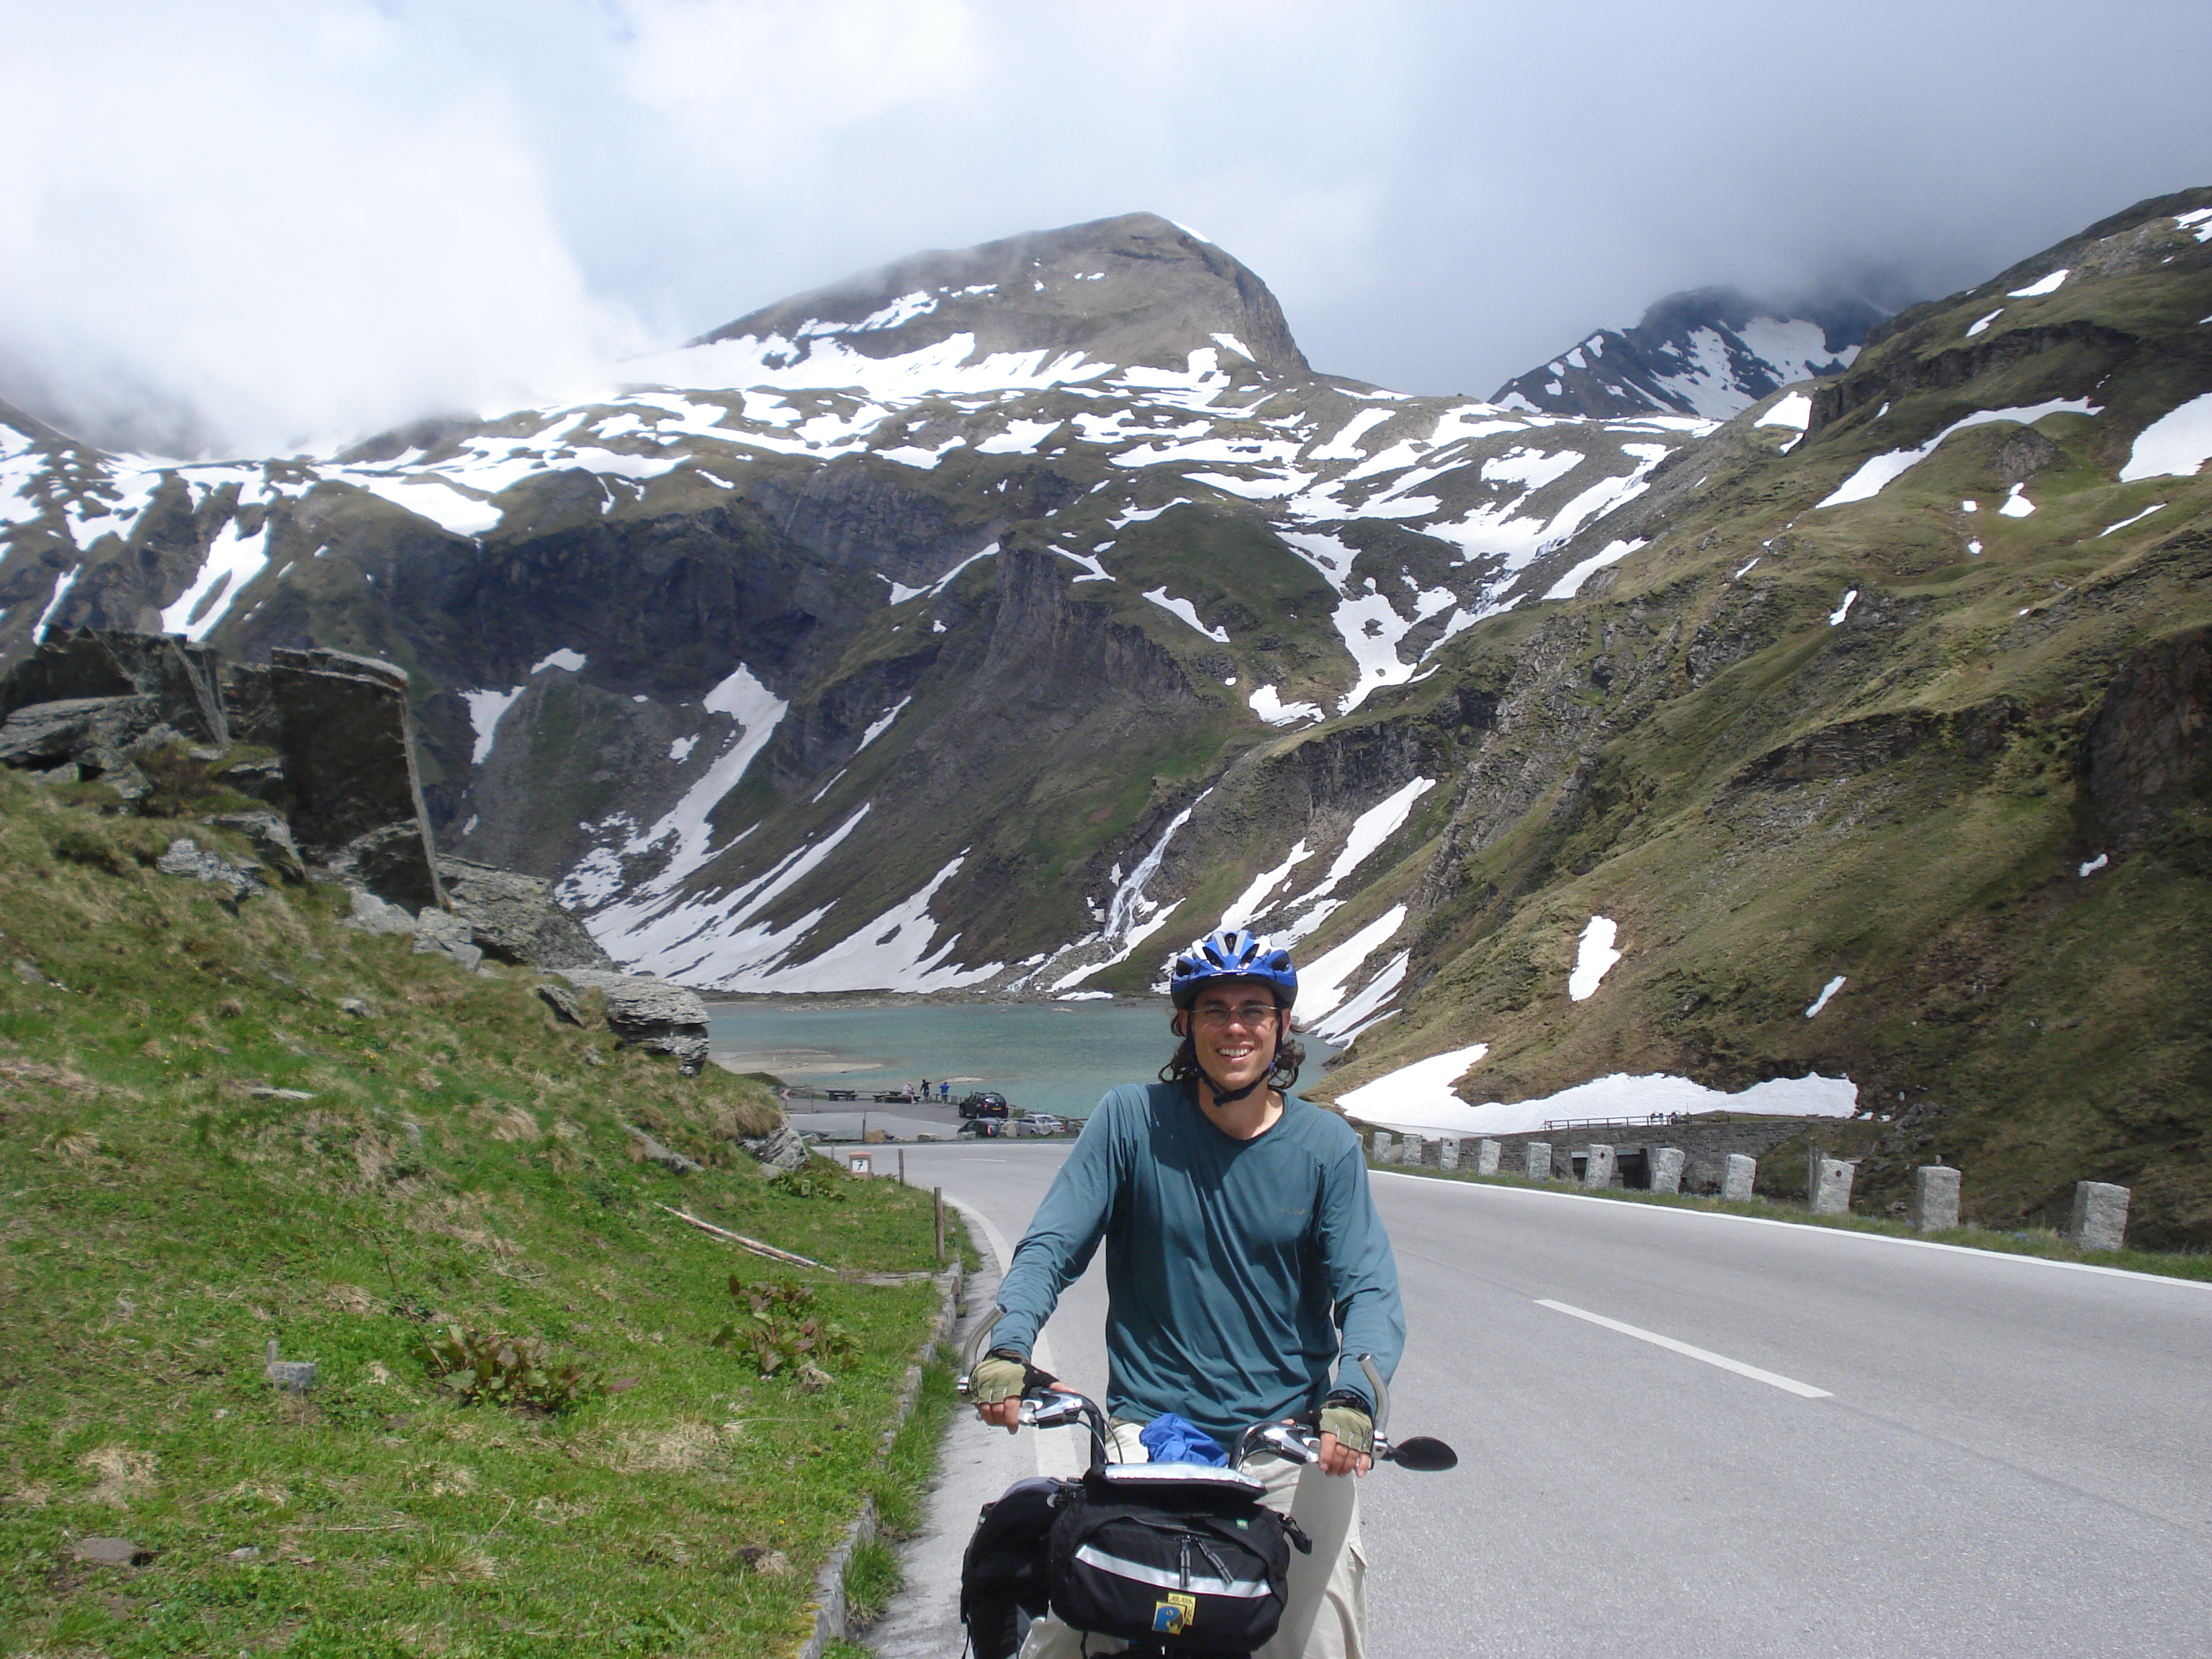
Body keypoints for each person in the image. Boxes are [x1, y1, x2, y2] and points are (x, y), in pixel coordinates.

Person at [970, 927, 1403, 1659]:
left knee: (1323, 1637)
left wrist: (1355, 1399)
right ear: (1184, 1024)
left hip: (1288, 1445)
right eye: (1214, 1010)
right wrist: (1009, 1343)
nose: (1235, 1027)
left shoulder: (1326, 1148)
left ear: (1282, 1025)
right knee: (1081, 1627)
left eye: (1254, 1010)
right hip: (1152, 1438)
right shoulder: (1131, 1122)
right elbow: (1052, 1245)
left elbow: (1368, 1289)